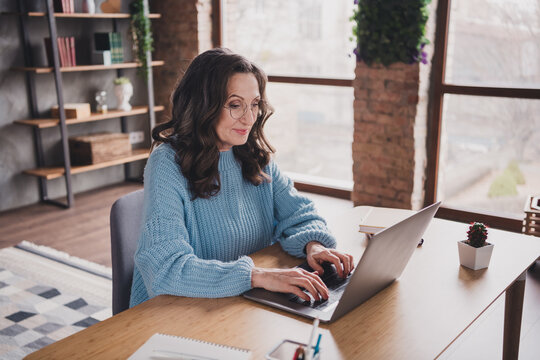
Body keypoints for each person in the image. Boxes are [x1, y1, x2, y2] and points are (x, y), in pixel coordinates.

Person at [129, 48, 354, 308]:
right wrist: (257, 276)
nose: (249, 118)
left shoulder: (253, 155)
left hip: (238, 304)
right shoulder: (167, 163)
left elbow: (299, 214)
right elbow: (165, 267)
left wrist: (314, 246)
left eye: (255, 104)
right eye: (235, 105)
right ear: (203, 105)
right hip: (173, 310)